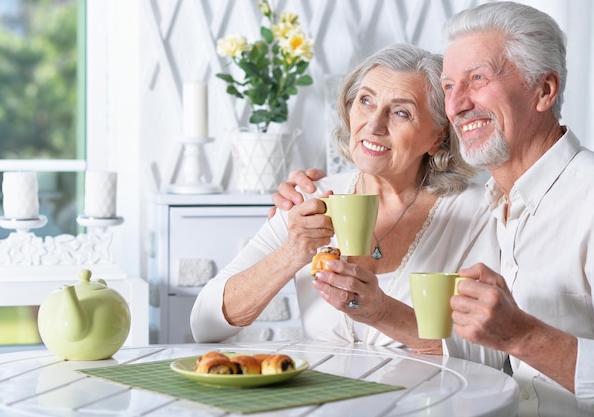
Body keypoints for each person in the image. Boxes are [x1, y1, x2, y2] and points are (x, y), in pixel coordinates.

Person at [273, 2, 594, 416]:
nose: (457, 105)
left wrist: (522, 336)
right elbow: (484, 353)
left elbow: (515, 341)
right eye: (450, 86)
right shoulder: (497, 206)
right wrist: (379, 309)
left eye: (478, 78)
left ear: (544, 90)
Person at [190, 43, 499, 351]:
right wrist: (292, 253)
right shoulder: (311, 197)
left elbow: (489, 353)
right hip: (323, 396)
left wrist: (381, 312)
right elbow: (204, 324)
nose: (374, 125)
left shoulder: (478, 210)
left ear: (438, 136)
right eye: (366, 101)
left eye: (401, 112)